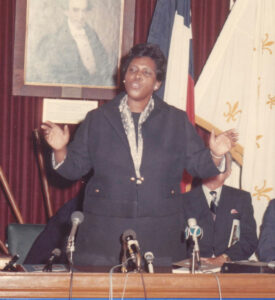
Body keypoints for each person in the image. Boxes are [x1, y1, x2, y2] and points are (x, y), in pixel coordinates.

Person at [41, 43, 237, 268]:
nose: (137, 76)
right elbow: (73, 168)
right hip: (104, 234)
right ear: (123, 77)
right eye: (132, 70)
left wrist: (215, 153)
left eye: (146, 72)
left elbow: (199, 167)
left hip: (161, 232)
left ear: (157, 83)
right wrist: (59, 149)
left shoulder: (176, 120)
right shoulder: (97, 119)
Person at [182, 152, 258, 266]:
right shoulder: (183, 200)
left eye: (219, 165)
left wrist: (225, 258)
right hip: (192, 268)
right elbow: (175, 240)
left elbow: (249, 239)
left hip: (230, 268)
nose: (214, 170)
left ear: (228, 172)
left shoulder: (241, 198)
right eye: (210, 165)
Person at [31, 0, 112, 86]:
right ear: (66, 11)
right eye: (76, 10)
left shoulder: (92, 35)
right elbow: (50, 76)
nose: (81, 16)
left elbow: (104, 64)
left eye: (84, 11)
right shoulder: (54, 40)